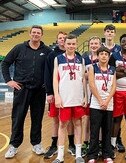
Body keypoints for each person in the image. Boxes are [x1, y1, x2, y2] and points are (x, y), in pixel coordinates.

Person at [2, 25, 52, 159]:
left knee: (37, 118)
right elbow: (5, 63)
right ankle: (13, 146)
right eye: (34, 32)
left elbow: (52, 69)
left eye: (38, 33)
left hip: (39, 91)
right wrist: (9, 80)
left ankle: (36, 143)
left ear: (41, 35)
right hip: (21, 89)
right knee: (18, 118)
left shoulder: (47, 51)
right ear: (30, 34)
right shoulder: (19, 48)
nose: (36, 34)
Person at [52, 34, 87, 163]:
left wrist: (85, 96)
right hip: (64, 98)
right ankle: (60, 156)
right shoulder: (58, 59)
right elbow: (55, 79)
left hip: (77, 98)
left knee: (78, 124)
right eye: (69, 44)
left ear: (76, 44)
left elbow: (83, 79)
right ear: (64, 44)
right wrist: (57, 96)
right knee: (62, 125)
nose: (71, 46)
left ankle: (78, 154)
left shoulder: (81, 60)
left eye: (73, 44)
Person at [44, 31, 76, 159]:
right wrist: (50, 92)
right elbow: (48, 74)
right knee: (56, 120)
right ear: (57, 40)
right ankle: (53, 145)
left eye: (64, 38)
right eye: (60, 38)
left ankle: (72, 144)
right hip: (57, 94)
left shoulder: (76, 55)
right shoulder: (52, 55)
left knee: (72, 121)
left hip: (71, 94)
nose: (62, 40)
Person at [87, 46, 116, 163]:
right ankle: (92, 155)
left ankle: (106, 154)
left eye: (106, 54)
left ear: (109, 57)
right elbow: (92, 85)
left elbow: (114, 86)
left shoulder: (113, 69)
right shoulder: (92, 68)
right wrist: (100, 100)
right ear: (97, 56)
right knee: (94, 131)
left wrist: (107, 100)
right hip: (96, 104)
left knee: (107, 130)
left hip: (109, 104)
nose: (104, 56)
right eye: (101, 54)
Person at [102, 24, 124, 152]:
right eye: (108, 31)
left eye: (112, 31)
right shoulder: (100, 48)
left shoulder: (119, 49)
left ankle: (118, 138)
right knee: (102, 115)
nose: (110, 33)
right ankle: (103, 141)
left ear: (115, 34)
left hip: (116, 86)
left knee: (116, 115)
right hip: (102, 86)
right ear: (104, 33)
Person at [81, 36, 102, 157]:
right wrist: (84, 94)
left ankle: (98, 143)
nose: (94, 45)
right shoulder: (85, 59)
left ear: (100, 45)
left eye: (96, 43)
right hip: (88, 90)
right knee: (87, 119)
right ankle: (86, 142)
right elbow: (83, 77)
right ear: (89, 45)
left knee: (98, 119)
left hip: (100, 91)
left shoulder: (103, 58)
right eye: (92, 43)